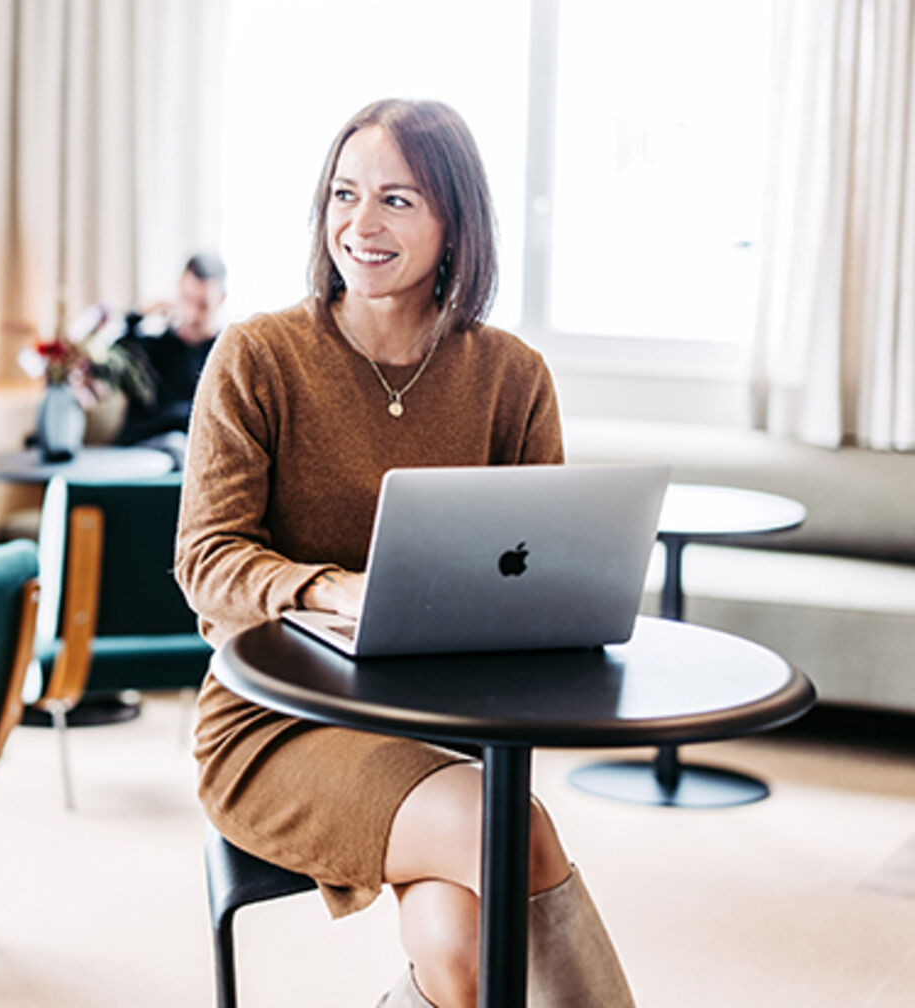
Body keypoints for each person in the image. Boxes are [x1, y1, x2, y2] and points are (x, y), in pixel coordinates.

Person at [174, 100, 635, 1008]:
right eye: (345, 195)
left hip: (439, 727)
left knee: (459, 946)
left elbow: (544, 576)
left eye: (397, 199)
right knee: (516, 833)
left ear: (453, 222)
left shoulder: (510, 376)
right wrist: (328, 590)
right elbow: (207, 561)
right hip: (276, 725)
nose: (361, 223)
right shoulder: (258, 357)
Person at [112, 252, 228, 457]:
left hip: (195, 454)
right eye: (186, 299)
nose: (192, 315)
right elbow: (111, 360)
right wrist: (136, 316)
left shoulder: (227, 355)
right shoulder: (152, 347)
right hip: (142, 448)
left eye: (202, 305)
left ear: (221, 299)